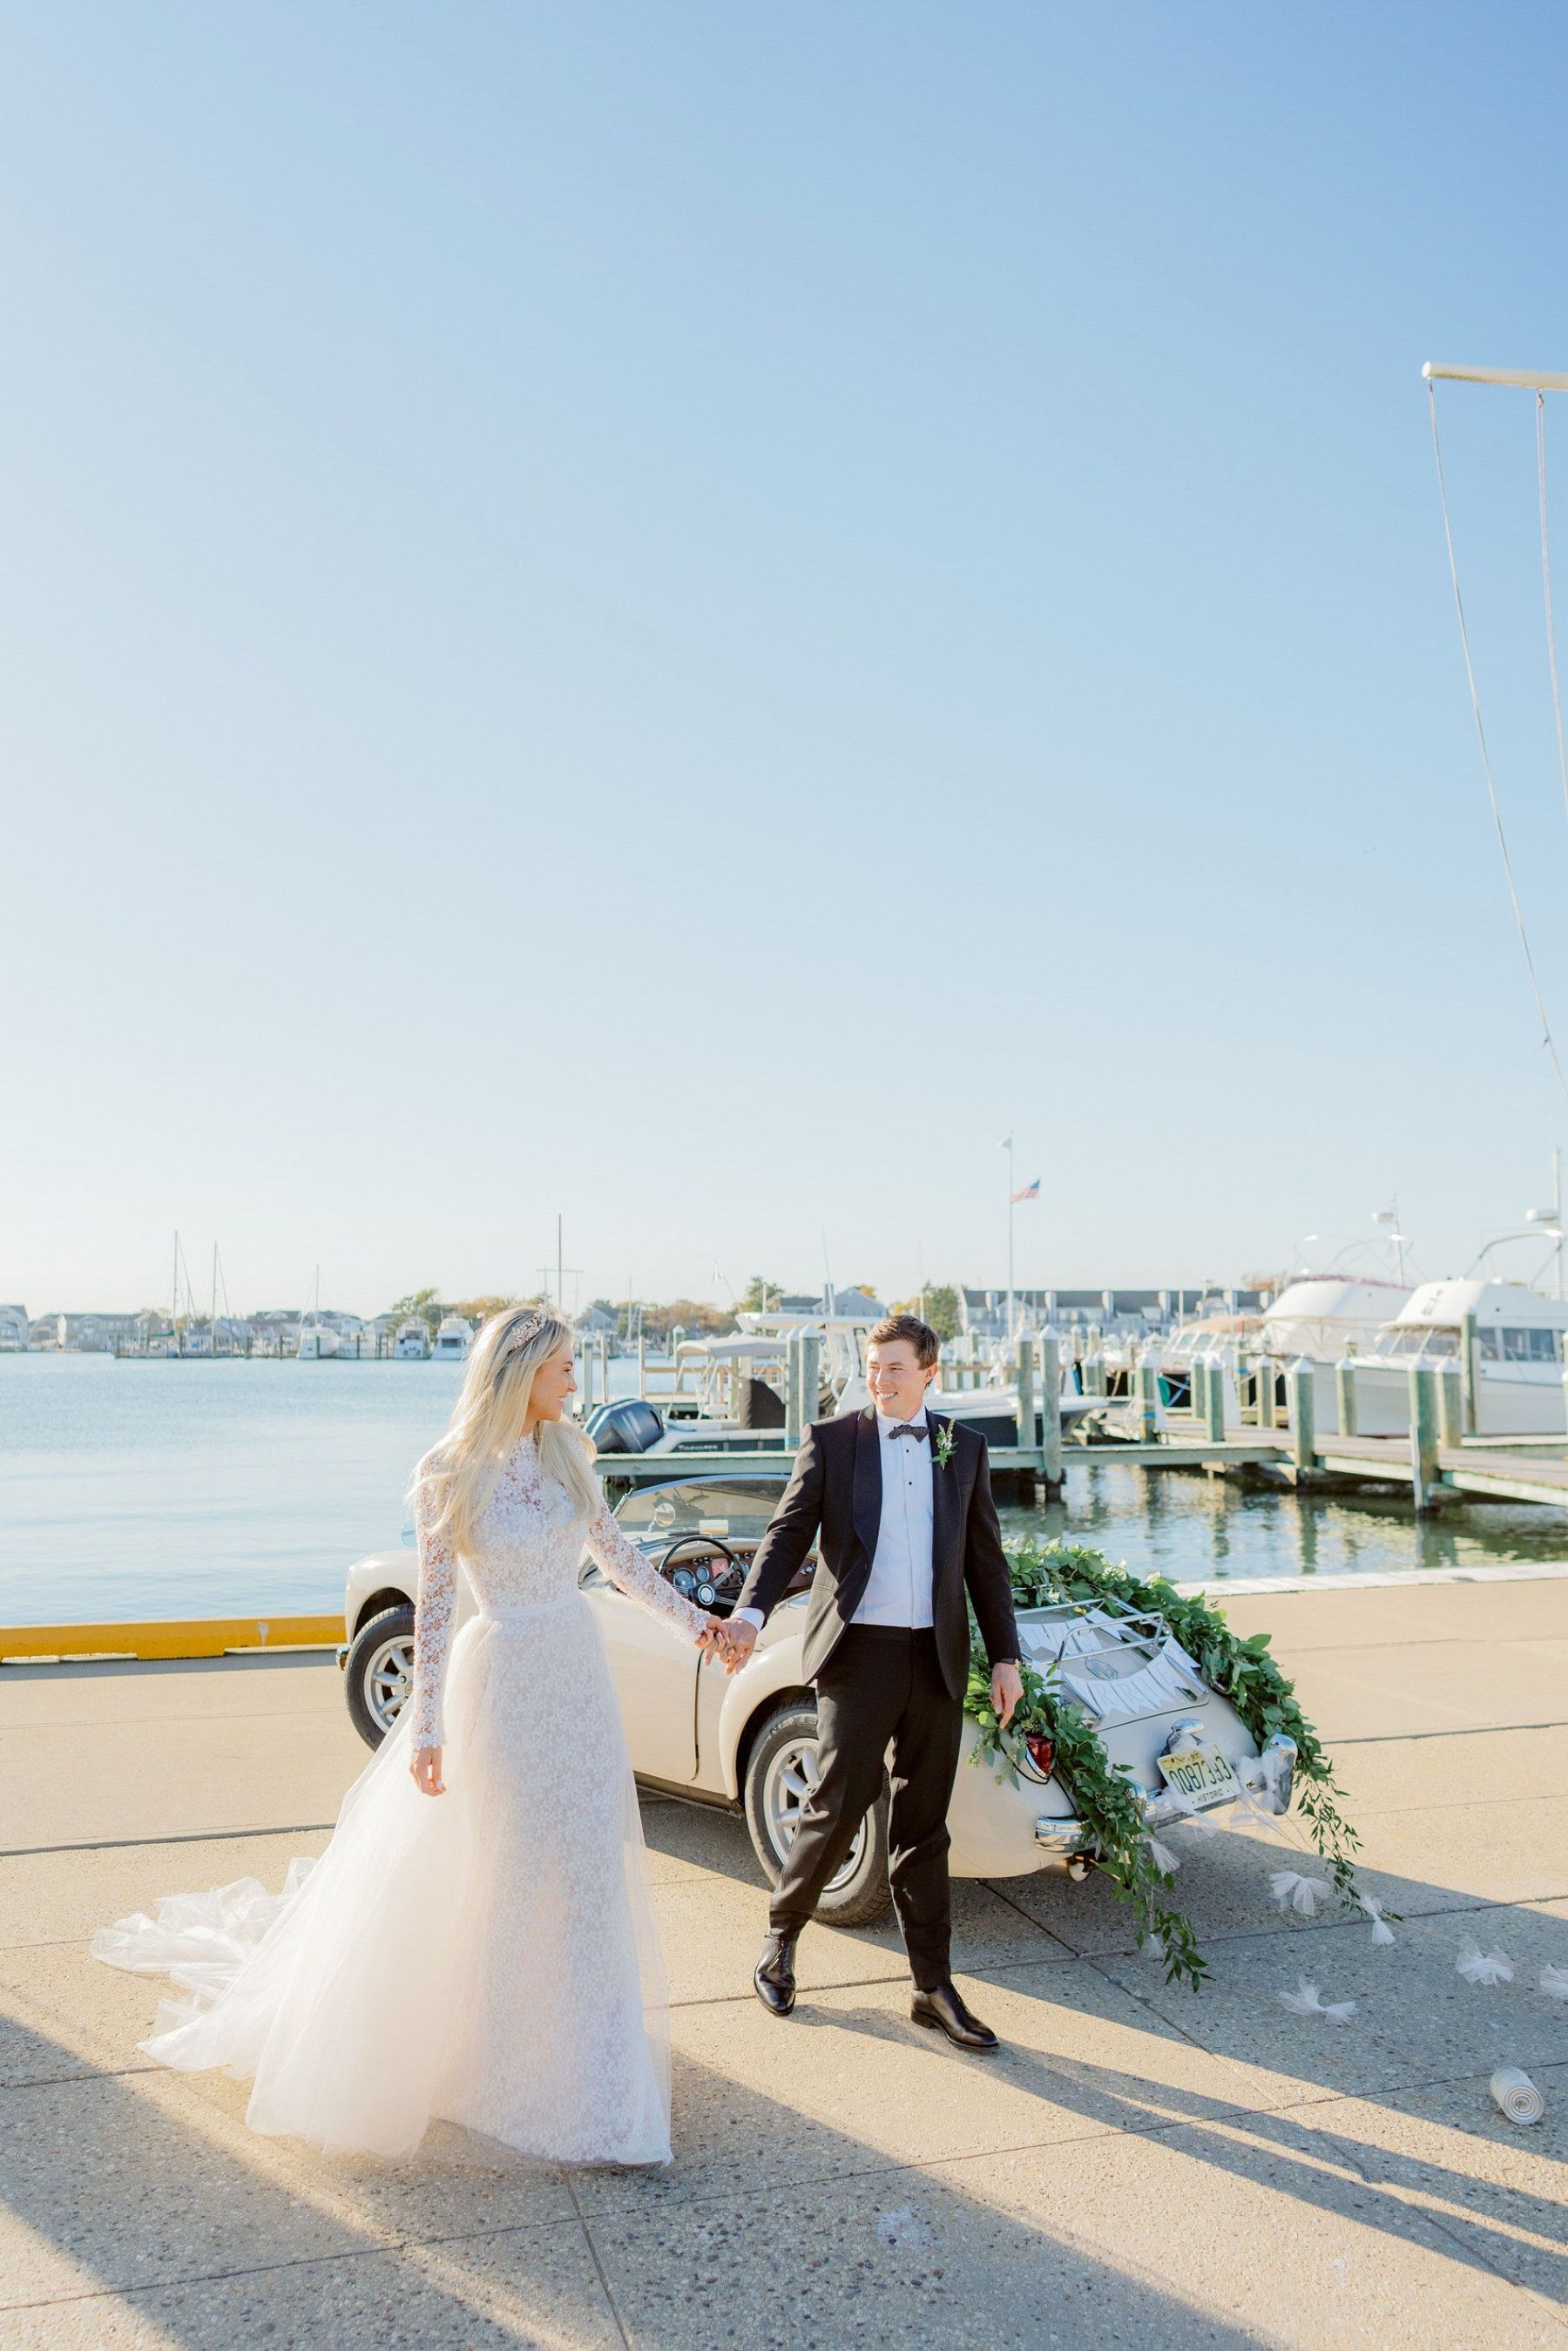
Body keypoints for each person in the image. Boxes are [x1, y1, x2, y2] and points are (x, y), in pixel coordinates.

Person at [93, 1307, 725, 2165]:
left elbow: (622, 1563)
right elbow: (434, 1610)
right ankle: (498, 2062)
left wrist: (701, 1627)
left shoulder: (571, 1454)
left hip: (576, 1680)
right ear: (520, 1373)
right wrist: (424, 1726)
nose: (575, 1380)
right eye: (563, 1366)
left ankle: (600, 2074)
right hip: (502, 1681)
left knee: (585, 1868)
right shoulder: (447, 1471)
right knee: (513, 1869)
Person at [720, 1312, 1024, 2050]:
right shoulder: (834, 1441)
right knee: (836, 1805)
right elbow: (787, 1532)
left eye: (895, 1367)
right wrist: (750, 1614)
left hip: (937, 1656)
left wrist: (1006, 1658)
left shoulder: (965, 1447)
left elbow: (985, 1560)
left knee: (924, 1826)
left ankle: (931, 1987)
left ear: (929, 1372)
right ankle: (780, 1938)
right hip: (858, 1655)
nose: (880, 1380)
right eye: (872, 1366)